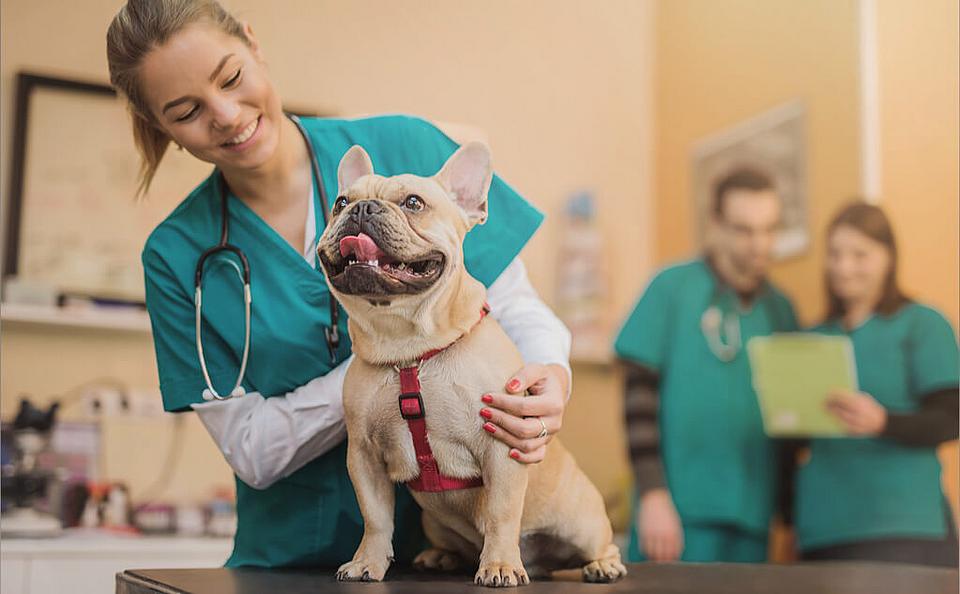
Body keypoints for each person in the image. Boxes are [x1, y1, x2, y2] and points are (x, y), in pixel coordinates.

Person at [106, 0, 573, 568]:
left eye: (231, 77)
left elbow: (513, 306)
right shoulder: (177, 254)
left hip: (454, 550)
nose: (226, 114)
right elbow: (253, 451)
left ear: (254, 45)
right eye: (185, 111)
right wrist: (388, 366)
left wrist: (550, 373)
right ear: (160, 128)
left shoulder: (408, 147)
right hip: (289, 562)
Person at [615, 168, 798, 563]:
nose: (759, 244)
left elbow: (788, 424)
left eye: (768, 230)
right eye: (744, 230)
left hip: (752, 516)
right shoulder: (671, 288)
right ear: (715, 225)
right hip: (677, 515)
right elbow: (638, 400)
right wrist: (653, 495)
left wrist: (787, 514)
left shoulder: (781, 310)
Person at [786, 202, 958, 566]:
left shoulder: (922, 325)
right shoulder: (810, 338)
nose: (843, 267)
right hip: (824, 530)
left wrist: (883, 422)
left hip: (904, 528)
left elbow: (951, 417)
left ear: (888, 258)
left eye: (859, 254)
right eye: (834, 254)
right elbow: (797, 439)